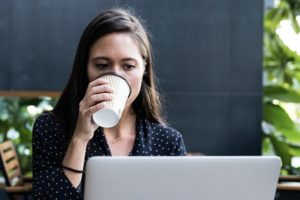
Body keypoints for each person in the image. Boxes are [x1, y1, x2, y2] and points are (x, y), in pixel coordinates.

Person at [32, 8, 187, 199]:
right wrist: (80, 138)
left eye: (128, 66)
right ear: (85, 69)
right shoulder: (51, 128)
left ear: (144, 70)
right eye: (102, 66)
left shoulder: (168, 142)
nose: (115, 75)